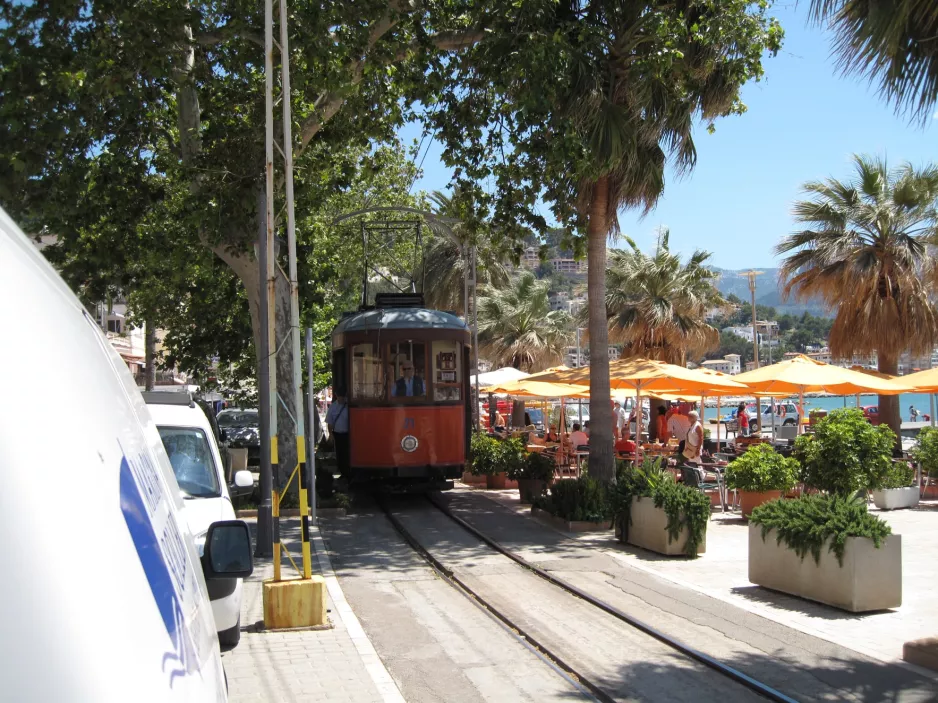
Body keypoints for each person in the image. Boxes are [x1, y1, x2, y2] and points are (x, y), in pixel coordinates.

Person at [325, 388, 350, 478]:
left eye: (343, 397)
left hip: (348, 434)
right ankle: (342, 472)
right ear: (336, 396)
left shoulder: (349, 405)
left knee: (348, 453)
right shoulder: (333, 407)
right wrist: (331, 435)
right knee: (340, 453)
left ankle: (348, 472)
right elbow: (330, 422)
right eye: (340, 397)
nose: (341, 399)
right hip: (338, 434)